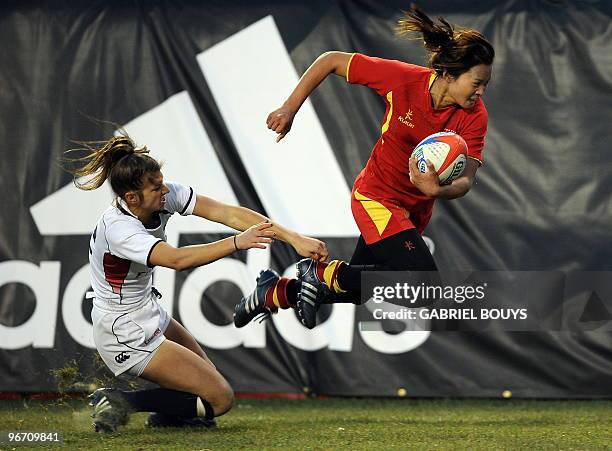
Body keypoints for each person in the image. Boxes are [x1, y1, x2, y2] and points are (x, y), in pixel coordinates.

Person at [233, 4, 494, 329]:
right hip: (377, 199)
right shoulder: (404, 80)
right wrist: (289, 109)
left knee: (356, 288)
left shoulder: (475, 116)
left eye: (486, 83)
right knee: (426, 287)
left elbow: (467, 179)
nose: (482, 91)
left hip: (413, 212)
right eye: (477, 82)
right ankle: (318, 273)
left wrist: (438, 189)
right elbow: (330, 60)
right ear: (450, 73)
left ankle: (274, 292)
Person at [64, 133, 328, 432]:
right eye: (156, 187)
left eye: (162, 182)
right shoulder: (119, 229)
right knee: (219, 400)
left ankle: (168, 417)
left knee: (199, 391)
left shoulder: (159, 198)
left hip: (147, 312)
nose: (164, 189)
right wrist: (237, 243)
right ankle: (118, 400)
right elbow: (176, 260)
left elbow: (226, 212)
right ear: (132, 198)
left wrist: (294, 238)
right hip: (123, 329)